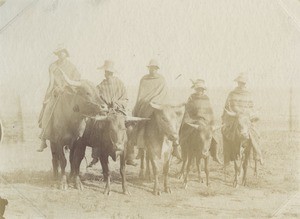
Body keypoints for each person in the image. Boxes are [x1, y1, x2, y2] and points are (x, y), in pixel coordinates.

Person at [87, 60, 137, 167]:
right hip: (106, 114)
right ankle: (95, 155)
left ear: (113, 73)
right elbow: (96, 101)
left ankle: (130, 156)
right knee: (96, 127)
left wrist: (117, 104)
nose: (108, 74)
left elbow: (125, 99)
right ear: (104, 73)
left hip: (119, 113)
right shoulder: (100, 87)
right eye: (107, 72)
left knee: (130, 129)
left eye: (110, 72)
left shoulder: (120, 84)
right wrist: (103, 107)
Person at [131, 59, 181, 160]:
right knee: (142, 124)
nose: (152, 69)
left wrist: (157, 102)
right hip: (146, 107)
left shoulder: (161, 79)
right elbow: (141, 95)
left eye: (154, 68)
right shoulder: (144, 79)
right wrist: (147, 102)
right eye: (150, 67)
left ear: (157, 69)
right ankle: (140, 149)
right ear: (148, 68)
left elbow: (164, 94)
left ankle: (175, 147)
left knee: (171, 122)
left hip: (159, 106)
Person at [37, 47, 81, 152]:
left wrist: (66, 88)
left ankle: (77, 136)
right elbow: (51, 82)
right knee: (47, 107)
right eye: (59, 53)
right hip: (56, 93)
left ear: (66, 54)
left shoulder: (72, 67)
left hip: (69, 93)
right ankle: (43, 138)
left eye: (62, 52)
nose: (60, 54)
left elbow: (76, 80)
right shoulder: (53, 66)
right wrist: (48, 95)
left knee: (77, 112)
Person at [222, 73, 263, 165]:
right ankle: (227, 157)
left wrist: (248, 115)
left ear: (245, 84)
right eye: (240, 83)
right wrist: (235, 114)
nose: (241, 84)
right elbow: (227, 107)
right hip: (234, 118)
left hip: (246, 118)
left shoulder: (249, 94)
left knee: (255, 134)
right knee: (225, 132)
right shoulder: (232, 94)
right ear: (237, 83)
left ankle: (257, 155)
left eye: (243, 83)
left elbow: (252, 106)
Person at [180, 79, 221, 163]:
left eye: (201, 89)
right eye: (198, 89)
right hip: (193, 122)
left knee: (214, 138)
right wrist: (192, 121)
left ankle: (215, 155)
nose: (199, 91)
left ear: (203, 90)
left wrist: (209, 122)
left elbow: (210, 112)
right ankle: (182, 157)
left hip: (206, 123)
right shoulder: (191, 97)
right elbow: (188, 110)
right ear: (195, 89)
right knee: (183, 137)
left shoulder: (206, 98)